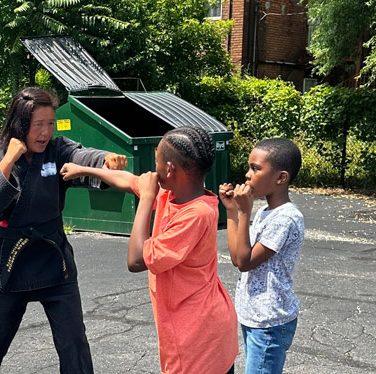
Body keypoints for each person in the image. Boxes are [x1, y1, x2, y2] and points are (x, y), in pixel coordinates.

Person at [0, 87, 127, 374]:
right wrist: (8, 161)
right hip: (7, 263)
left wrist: (105, 160)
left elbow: (81, 155)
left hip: (53, 260)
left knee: (74, 342)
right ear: (20, 124)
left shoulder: (57, 149)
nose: (45, 132)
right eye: (38, 124)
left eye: (50, 124)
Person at [60, 126, 238, 374]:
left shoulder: (196, 215)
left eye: (156, 162)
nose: (153, 171)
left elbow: (136, 260)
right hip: (198, 326)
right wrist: (84, 169)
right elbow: (129, 181)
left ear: (169, 169)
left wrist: (145, 199)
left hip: (196, 338)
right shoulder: (174, 193)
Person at [218, 138, 304, 374]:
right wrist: (233, 211)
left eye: (256, 169)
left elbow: (246, 262)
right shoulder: (266, 212)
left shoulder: (285, 218)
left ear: (280, 178)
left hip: (269, 321)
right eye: (249, 167)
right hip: (253, 316)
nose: (247, 175)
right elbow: (237, 258)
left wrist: (245, 212)